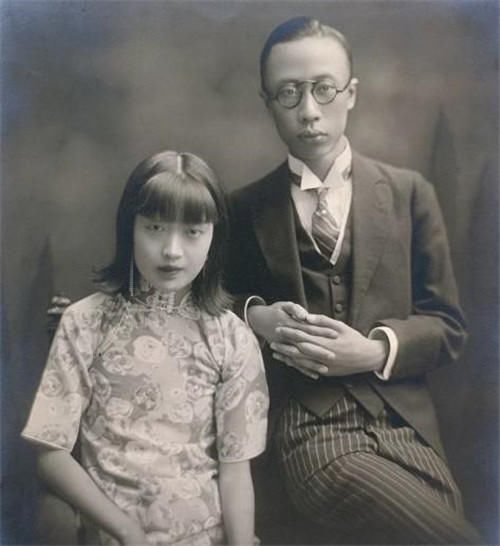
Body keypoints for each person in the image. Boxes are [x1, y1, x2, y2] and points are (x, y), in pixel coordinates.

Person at [226, 16, 480, 545]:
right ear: (268, 103)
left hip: (405, 426)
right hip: (311, 430)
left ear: (352, 93)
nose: (308, 110)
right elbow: (207, 301)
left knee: (441, 520)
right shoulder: (243, 208)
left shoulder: (410, 193)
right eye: (289, 93)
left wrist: (373, 350)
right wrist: (256, 317)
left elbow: (447, 325)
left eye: (323, 88)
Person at [22, 150, 269, 546]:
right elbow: (50, 455)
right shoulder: (86, 323)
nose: (172, 250)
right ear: (129, 230)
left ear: (214, 237)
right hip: (115, 535)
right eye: (154, 227)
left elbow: (235, 472)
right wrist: (127, 532)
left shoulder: (232, 338)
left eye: (192, 232)